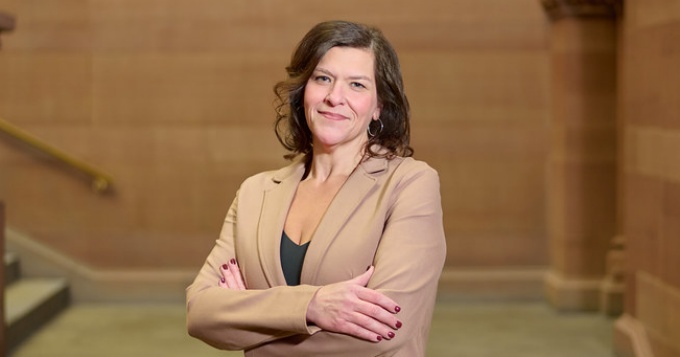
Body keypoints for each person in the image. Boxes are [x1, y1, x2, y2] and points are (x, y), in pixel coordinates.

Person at [186, 20, 446, 356]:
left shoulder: (410, 184)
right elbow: (200, 313)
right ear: (303, 91)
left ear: (379, 105)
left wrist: (246, 313)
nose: (334, 97)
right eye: (323, 78)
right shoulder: (254, 192)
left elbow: (388, 330)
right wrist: (312, 307)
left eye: (357, 85)